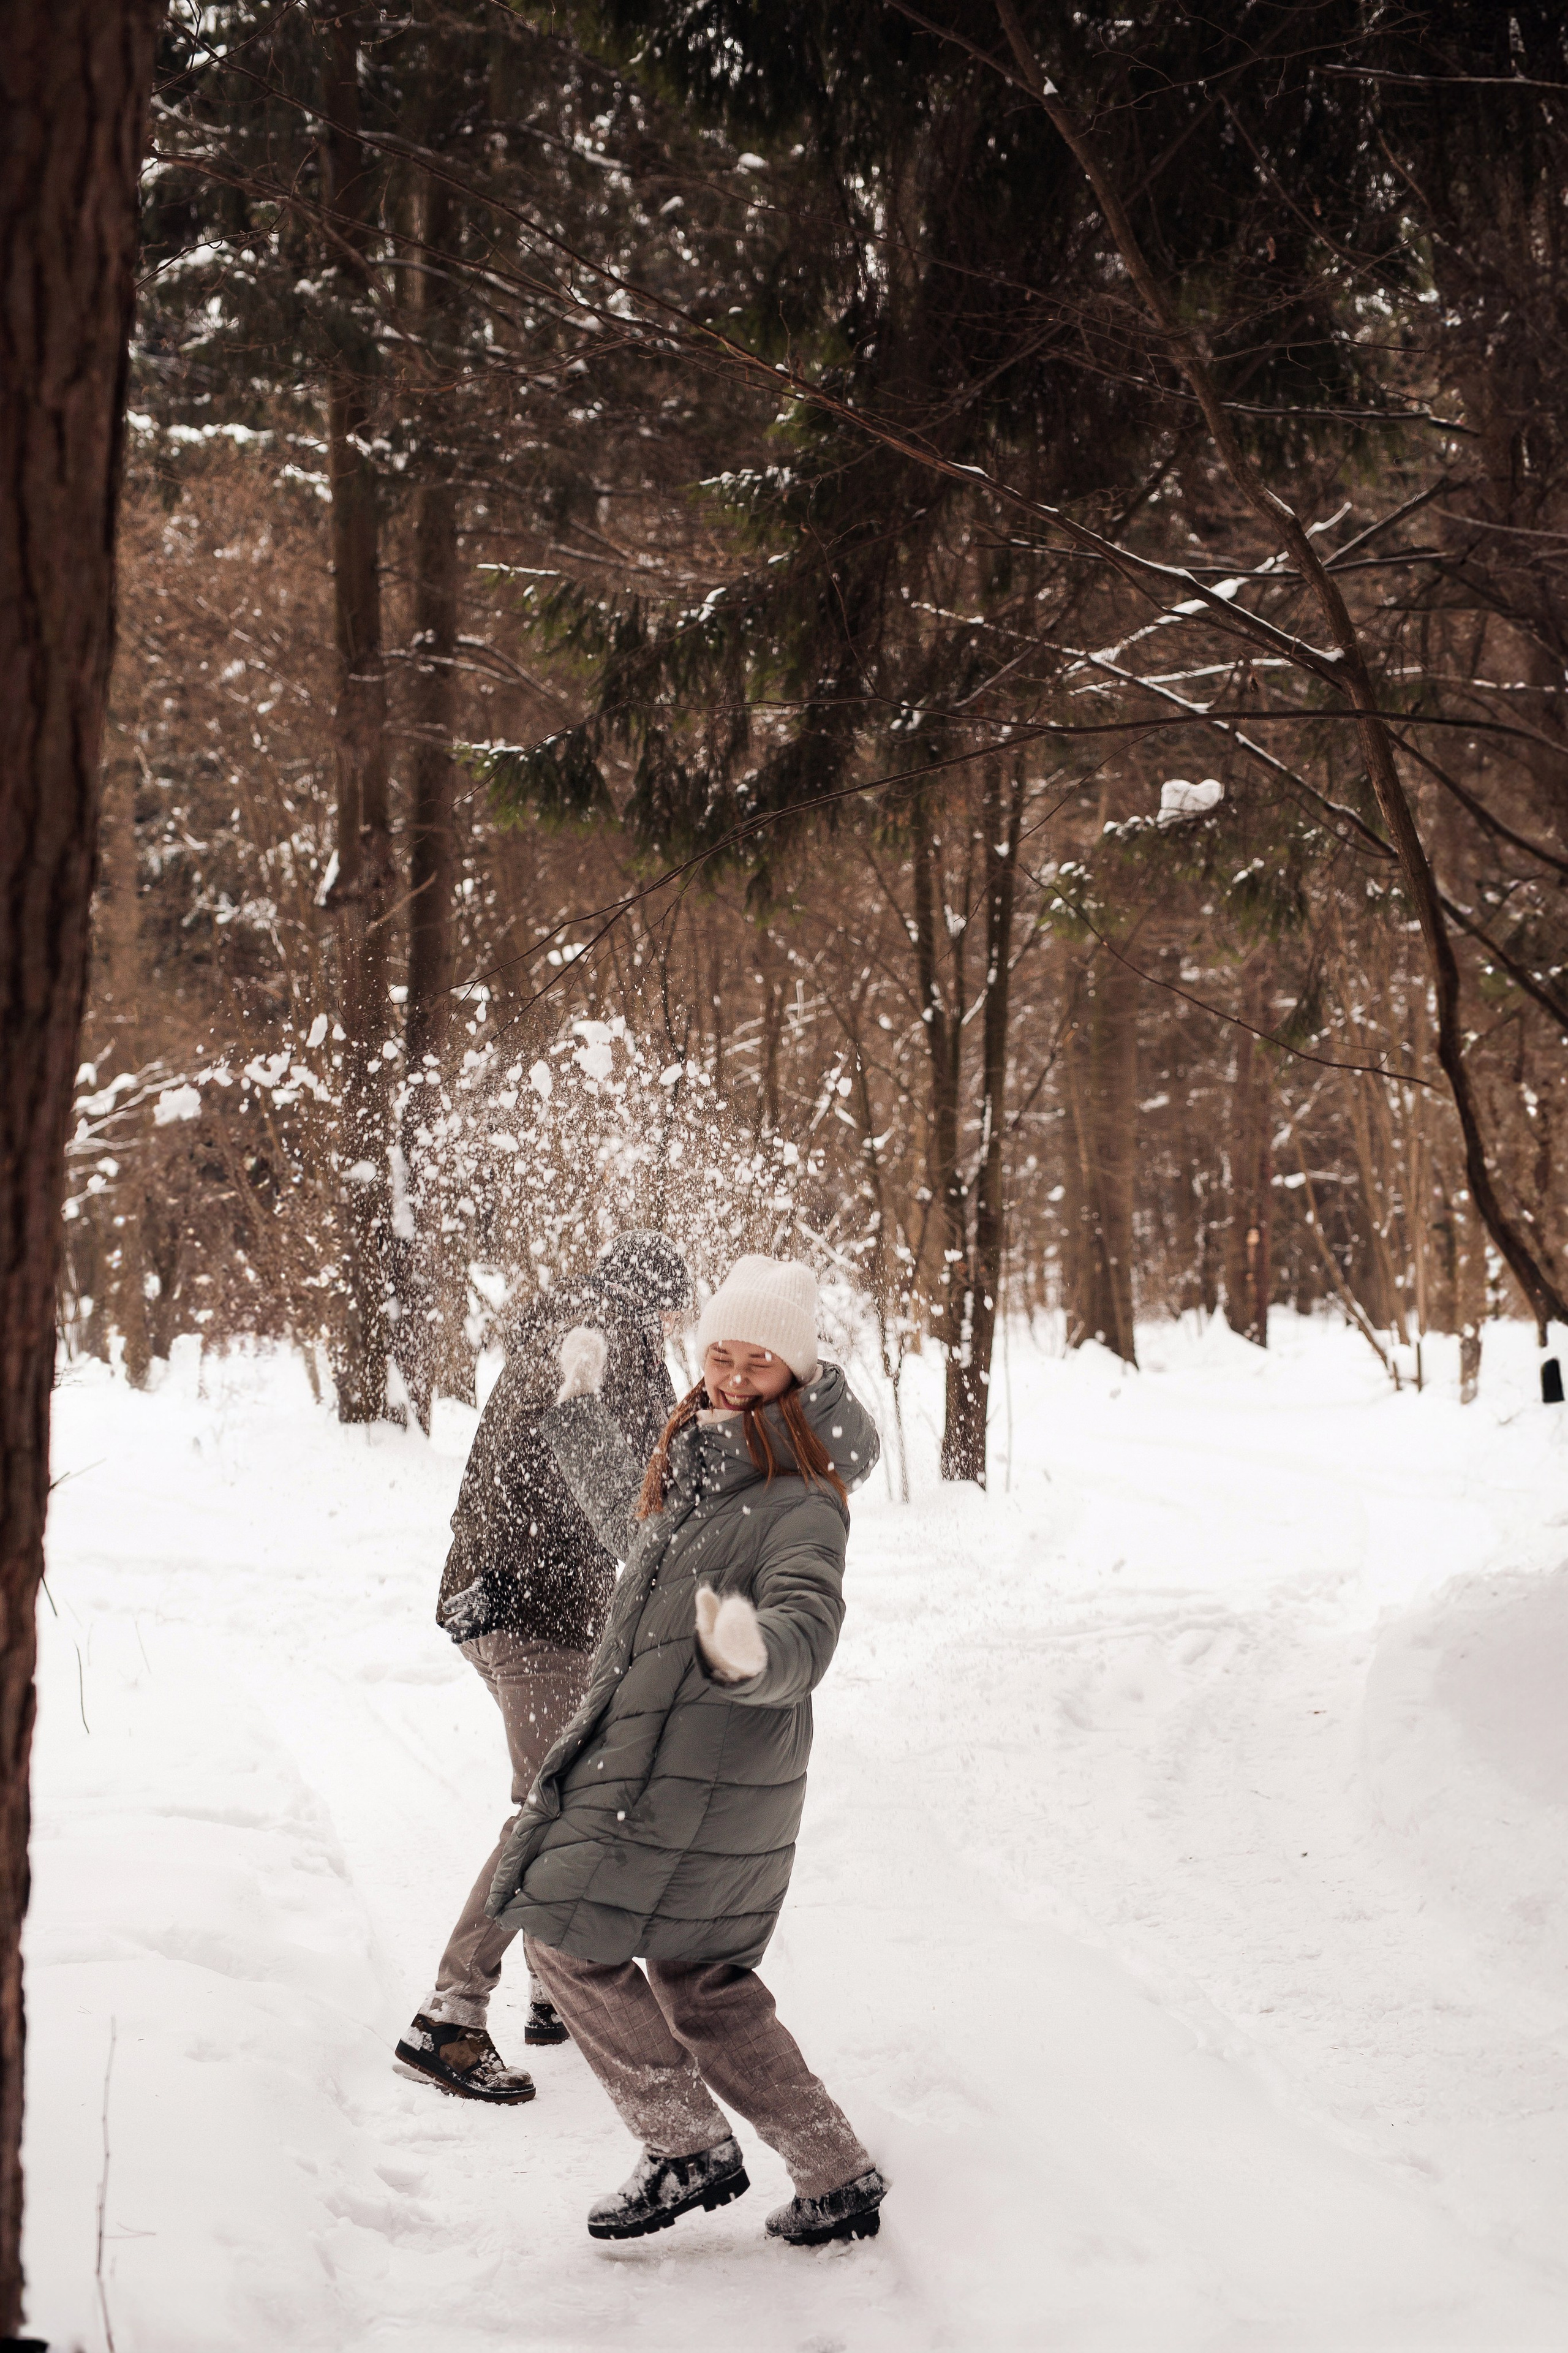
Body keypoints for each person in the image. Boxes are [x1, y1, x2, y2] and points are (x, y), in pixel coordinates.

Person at [484, 1253, 889, 2247]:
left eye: (758, 1359)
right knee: (701, 1981)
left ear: (796, 1374)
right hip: (700, 1771)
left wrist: (759, 1651)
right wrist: (580, 1409)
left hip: (696, 1774)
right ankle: (834, 2171)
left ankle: (685, 2146)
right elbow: (648, 1532)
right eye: (719, 1351)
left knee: (564, 1935)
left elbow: (807, 1622)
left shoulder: (803, 1497)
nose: (733, 1374)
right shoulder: (709, 1459)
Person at [394, 1229, 692, 2104]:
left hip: (518, 1605)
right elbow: (548, 1452)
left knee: (564, 1794)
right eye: (670, 1308)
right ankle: (448, 2016)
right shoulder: (593, 1337)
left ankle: (550, 1987)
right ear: (649, 1298)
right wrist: (535, 1570)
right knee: (554, 1808)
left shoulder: (585, 1325)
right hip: (533, 1613)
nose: (673, 1326)